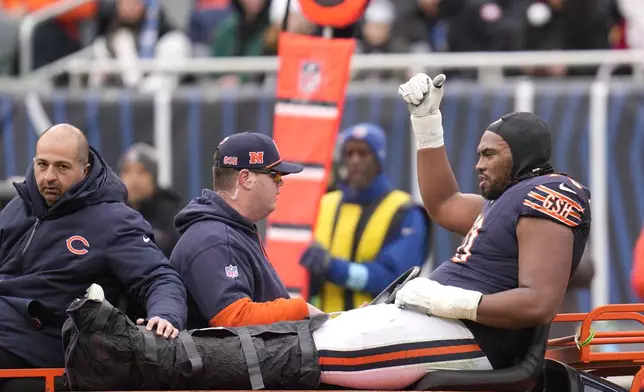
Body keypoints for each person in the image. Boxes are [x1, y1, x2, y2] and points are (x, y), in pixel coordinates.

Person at [392, 73, 592, 370]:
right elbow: (444, 203)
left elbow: (541, 300)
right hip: (457, 331)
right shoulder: (504, 205)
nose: (478, 165)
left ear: (521, 156)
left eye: (489, 154)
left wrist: (449, 300)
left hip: (491, 343)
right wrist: (426, 123)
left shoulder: (547, 195)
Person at [0, 123, 187, 370]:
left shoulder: (113, 220)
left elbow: (160, 277)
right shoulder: (17, 208)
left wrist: (165, 316)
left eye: (62, 167)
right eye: (42, 164)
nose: (49, 177)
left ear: (84, 170)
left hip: (50, 341)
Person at [171, 131, 323, 329]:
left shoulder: (232, 230)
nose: (280, 184)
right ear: (245, 178)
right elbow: (234, 318)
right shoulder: (214, 239)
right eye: (275, 175)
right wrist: (300, 310)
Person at [299, 123, 430, 313]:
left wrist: (334, 268)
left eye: (363, 153)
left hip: (376, 330)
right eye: (349, 153)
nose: (354, 160)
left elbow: (395, 278)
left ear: (379, 160)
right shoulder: (323, 204)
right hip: (323, 327)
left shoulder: (404, 210)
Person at [118, 143, 182, 258]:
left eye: (141, 172)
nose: (133, 179)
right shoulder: (113, 212)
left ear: (154, 178)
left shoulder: (172, 215)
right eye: (127, 171)